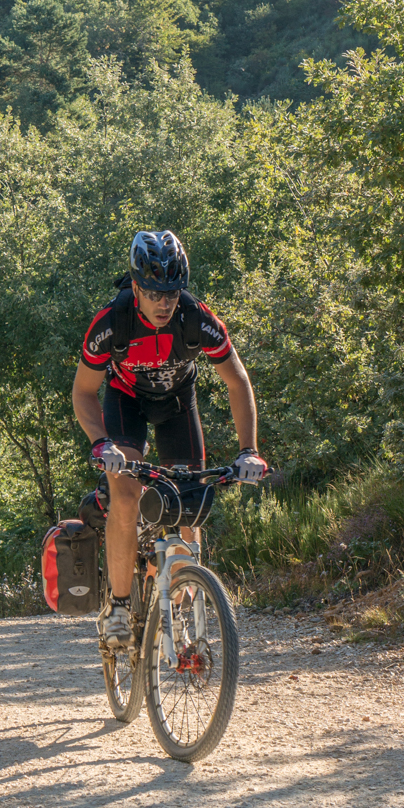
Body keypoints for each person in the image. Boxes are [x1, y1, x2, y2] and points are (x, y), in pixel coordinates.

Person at [72, 230, 268, 651]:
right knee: (125, 495)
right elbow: (84, 392)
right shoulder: (112, 322)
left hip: (178, 405)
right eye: (156, 293)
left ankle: (181, 609)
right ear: (137, 287)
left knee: (191, 507)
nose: (165, 303)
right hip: (126, 405)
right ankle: (119, 608)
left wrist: (248, 449)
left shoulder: (196, 318)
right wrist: (100, 443)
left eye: (173, 293)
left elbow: (238, 383)